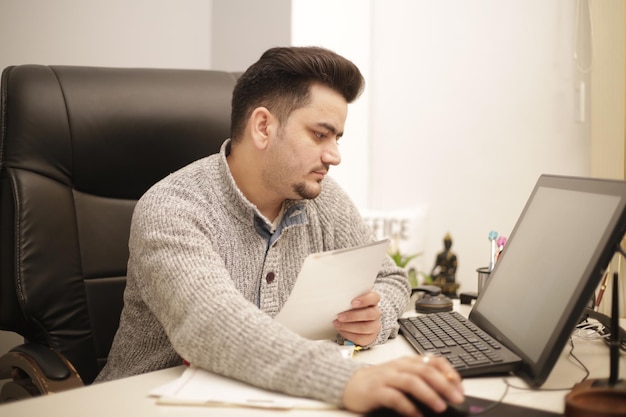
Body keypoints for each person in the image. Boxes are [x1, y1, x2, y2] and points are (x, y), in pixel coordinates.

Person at [96, 46, 464, 416]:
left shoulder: (321, 198)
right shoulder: (173, 208)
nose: (334, 155)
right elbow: (211, 325)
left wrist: (375, 316)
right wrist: (346, 380)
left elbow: (391, 277)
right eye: (320, 135)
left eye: (337, 138)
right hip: (147, 403)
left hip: (275, 400)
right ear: (263, 127)